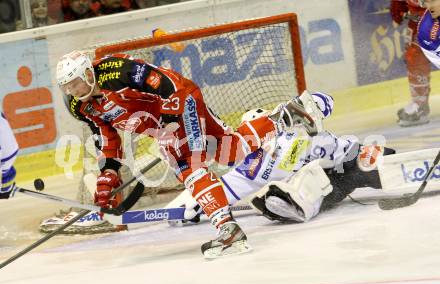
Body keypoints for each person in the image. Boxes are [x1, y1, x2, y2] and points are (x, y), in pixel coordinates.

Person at [55, 50, 308, 258]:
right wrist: (108, 173)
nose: (72, 91)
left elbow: (164, 83)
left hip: (178, 99)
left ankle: (227, 228)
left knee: (187, 163)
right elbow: (107, 137)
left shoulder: (115, 72)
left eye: (74, 83)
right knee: (227, 151)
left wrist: (169, 119)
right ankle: (285, 116)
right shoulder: (81, 105)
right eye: (66, 87)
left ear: (88, 73)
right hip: (167, 118)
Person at [170, 92, 396, 224]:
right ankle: (288, 200)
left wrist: (201, 206)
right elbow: (225, 188)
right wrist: (200, 205)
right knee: (312, 182)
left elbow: (326, 109)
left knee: (356, 171)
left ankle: (288, 199)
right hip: (319, 181)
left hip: (340, 166)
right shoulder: (252, 161)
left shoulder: (301, 130)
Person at [390, 0, 432, 127]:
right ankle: (419, 104)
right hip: (419, 23)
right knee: (414, 57)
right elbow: (398, 8)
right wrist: (399, 9)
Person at [0, 112, 19, 199]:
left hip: (5, 156)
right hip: (12, 150)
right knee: (6, 171)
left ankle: (5, 189)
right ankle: (6, 189)